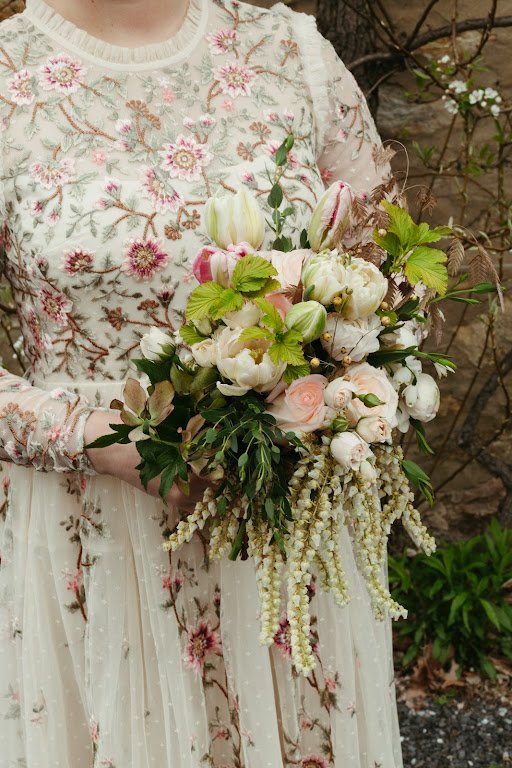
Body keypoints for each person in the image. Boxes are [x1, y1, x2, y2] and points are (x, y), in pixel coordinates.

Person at [0, 0, 403, 765]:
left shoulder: (288, 52)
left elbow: (391, 285)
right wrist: (97, 441)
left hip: (278, 532)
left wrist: (318, 399)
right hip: (89, 530)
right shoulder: (9, 75)